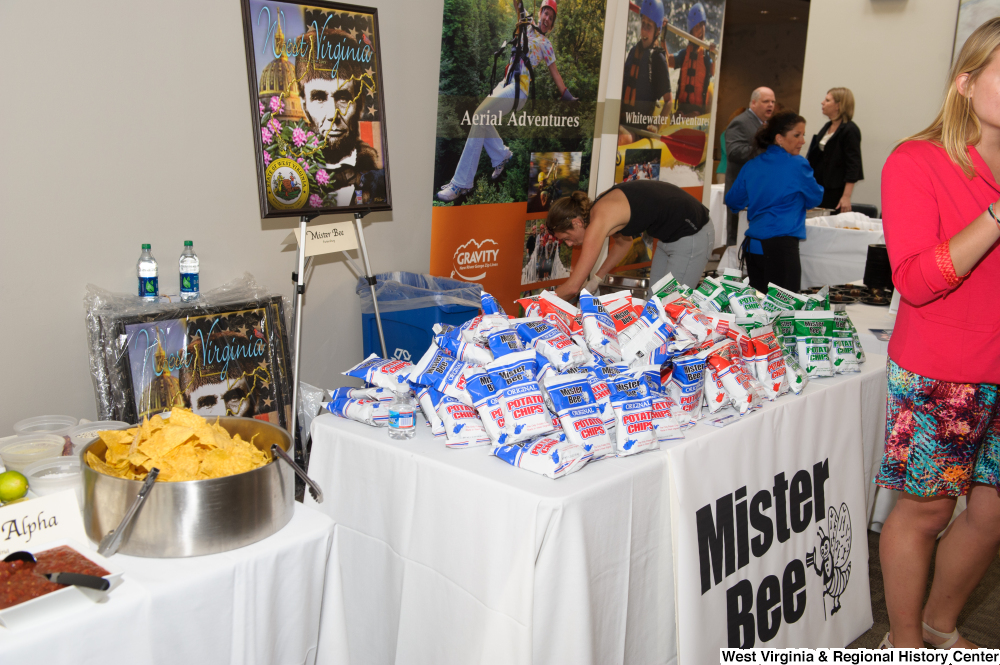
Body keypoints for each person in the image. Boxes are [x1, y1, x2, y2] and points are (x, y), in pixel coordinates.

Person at [874, 17, 1000, 650]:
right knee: (926, 512)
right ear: (965, 82)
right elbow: (919, 281)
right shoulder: (917, 161)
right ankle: (902, 643)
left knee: (993, 514)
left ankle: (940, 625)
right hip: (943, 369)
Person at [437, 0, 576, 201]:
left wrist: (568, 96)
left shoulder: (547, 45)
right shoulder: (525, 21)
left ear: (552, 25)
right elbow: (517, 2)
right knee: (481, 120)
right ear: (540, 14)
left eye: (551, 18)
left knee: (478, 116)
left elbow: (555, 73)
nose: (547, 19)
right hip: (506, 82)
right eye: (545, 13)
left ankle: (461, 183)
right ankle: (500, 154)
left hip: (520, 88)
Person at [547, 180, 714, 299]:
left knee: (671, 307)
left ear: (576, 222)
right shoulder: (600, 208)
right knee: (654, 302)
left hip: (693, 234)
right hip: (668, 236)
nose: (569, 244)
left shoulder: (599, 220)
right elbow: (623, 244)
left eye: (567, 238)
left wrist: (536, 303)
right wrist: (596, 279)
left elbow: (573, 286)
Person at [725, 110, 823, 293]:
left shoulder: (752, 164)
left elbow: (733, 201)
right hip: (781, 247)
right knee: (784, 310)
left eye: (803, 135)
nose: (802, 140)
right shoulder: (798, 165)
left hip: (753, 246)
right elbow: (815, 198)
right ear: (779, 138)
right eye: (797, 135)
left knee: (758, 308)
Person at [296, 28, 386, 207]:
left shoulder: (378, 173)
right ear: (304, 105)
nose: (332, 114)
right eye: (319, 97)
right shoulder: (290, 177)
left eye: (343, 98)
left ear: (359, 103)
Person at [724, 88, 775, 245]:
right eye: (766, 101)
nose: (771, 105)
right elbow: (733, 152)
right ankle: (731, 269)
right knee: (737, 240)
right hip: (742, 191)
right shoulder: (741, 122)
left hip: (760, 191)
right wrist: (767, 150)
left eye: (773, 102)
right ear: (753, 103)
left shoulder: (767, 125)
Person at [618, 0, 671, 146]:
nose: (644, 30)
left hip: (640, 129)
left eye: (649, 26)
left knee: (619, 139)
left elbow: (669, 101)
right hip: (623, 121)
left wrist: (657, 127)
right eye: (643, 24)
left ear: (657, 30)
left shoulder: (658, 58)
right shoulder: (633, 52)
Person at [806, 87, 863, 212]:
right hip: (819, 186)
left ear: (838, 105)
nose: (822, 103)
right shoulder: (827, 126)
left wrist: (846, 196)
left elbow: (853, 165)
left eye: (827, 100)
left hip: (834, 190)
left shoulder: (850, 130)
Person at [666, 2, 717, 117]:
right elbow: (667, 61)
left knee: (691, 115)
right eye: (696, 27)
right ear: (691, 32)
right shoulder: (684, 54)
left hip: (697, 112)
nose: (700, 30)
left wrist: (713, 57)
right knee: (677, 116)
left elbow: (713, 72)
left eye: (702, 25)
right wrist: (663, 38)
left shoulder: (707, 55)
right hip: (682, 108)